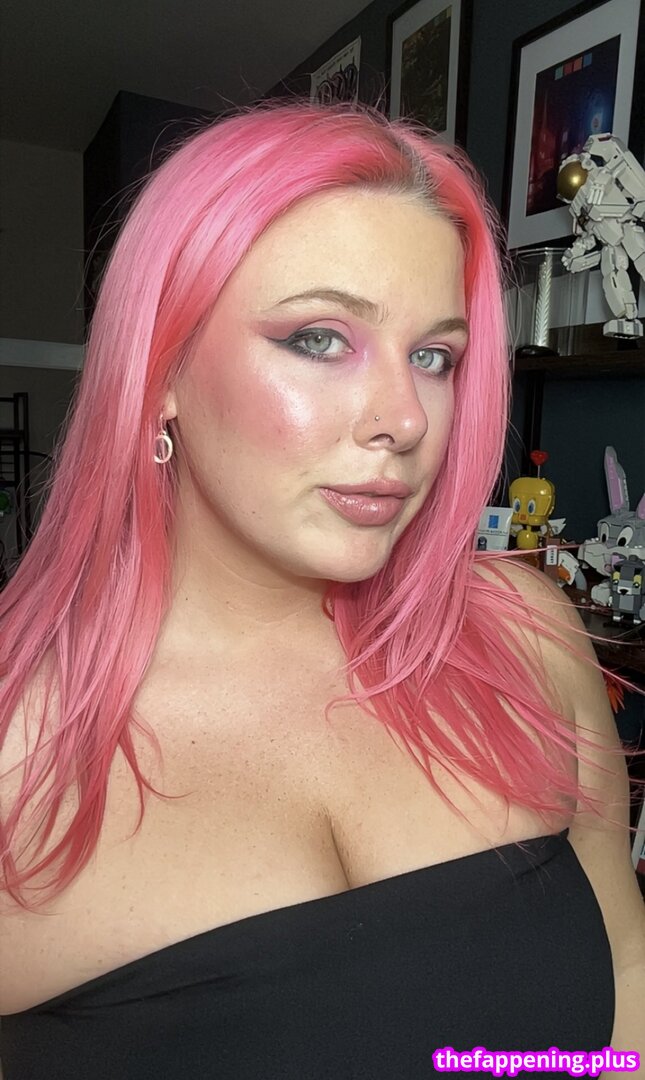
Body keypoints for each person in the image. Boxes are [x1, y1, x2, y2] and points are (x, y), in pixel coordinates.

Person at [0, 99, 643, 1079]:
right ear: (160, 368)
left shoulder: (525, 633)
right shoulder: (20, 746)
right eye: (317, 339)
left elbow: (627, 970)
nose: (404, 418)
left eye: (433, 356)